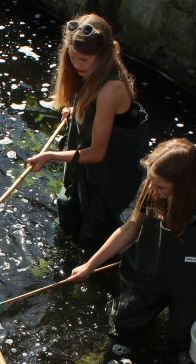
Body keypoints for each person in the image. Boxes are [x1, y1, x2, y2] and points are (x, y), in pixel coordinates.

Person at [68, 138, 196, 348]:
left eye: (159, 185)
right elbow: (130, 228)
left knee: (183, 341)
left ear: (184, 184)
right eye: (150, 180)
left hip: (193, 280)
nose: (151, 187)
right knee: (125, 325)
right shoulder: (151, 191)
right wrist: (90, 265)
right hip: (153, 272)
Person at [26, 13, 149, 245]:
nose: (76, 65)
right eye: (72, 57)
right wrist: (76, 111)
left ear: (101, 57)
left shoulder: (110, 90)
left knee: (95, 232)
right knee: (70, 213)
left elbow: (97, 153)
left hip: (109, 170)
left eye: (83, 59)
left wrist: (51, 155)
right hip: (89, 167)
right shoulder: (90, 73)